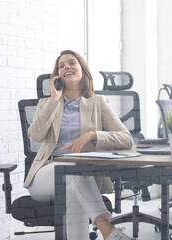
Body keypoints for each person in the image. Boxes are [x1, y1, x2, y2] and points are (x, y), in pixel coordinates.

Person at [24, 50, 134, 240]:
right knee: (74, 171)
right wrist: (54, 100)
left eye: (72, 63)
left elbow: (126, 138)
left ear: (83, 70)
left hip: (78, 177)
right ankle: (108, 230)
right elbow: (35, 135)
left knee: (74, 187)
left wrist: (93, 135)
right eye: (61, 65)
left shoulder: (98, 102)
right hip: (45, 176)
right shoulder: (47, 103)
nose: (66, 67)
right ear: (57, 76)